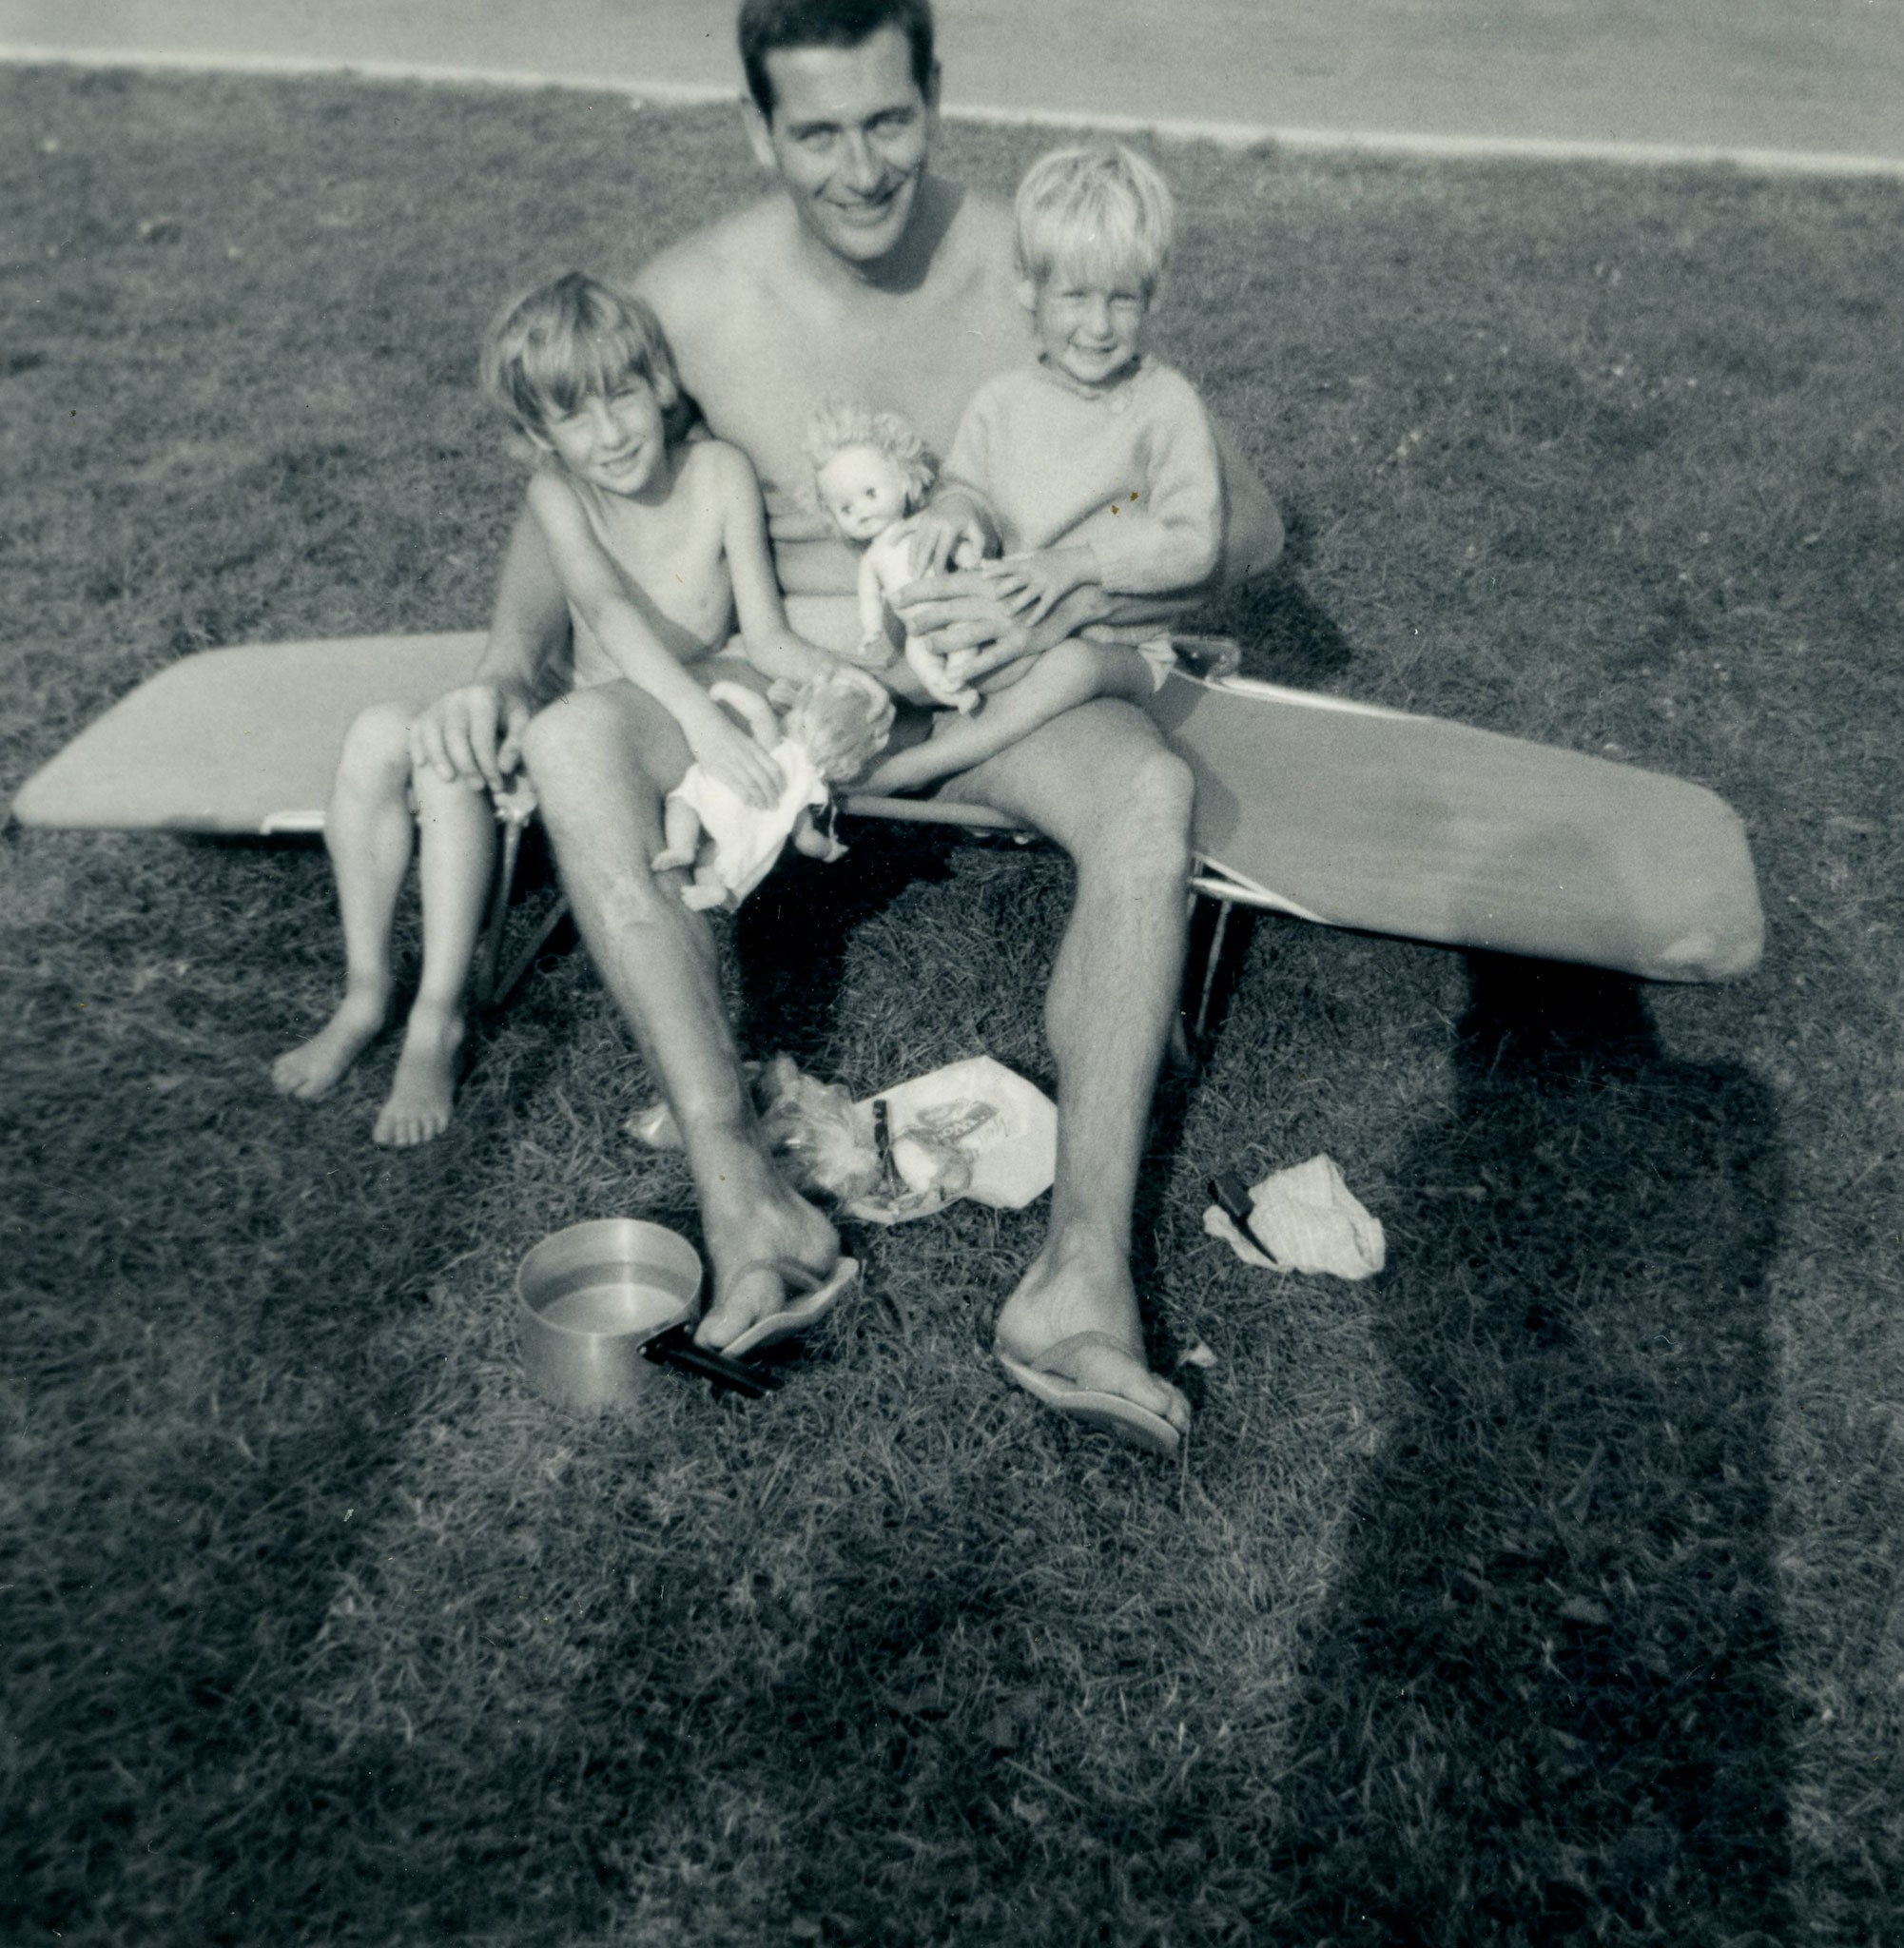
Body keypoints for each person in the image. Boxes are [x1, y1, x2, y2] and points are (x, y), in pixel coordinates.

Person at [409, 0, 1283, 1451]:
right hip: (755, 682)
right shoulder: (688, 295)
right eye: (816, 131)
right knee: (571, 747)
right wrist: (510, 657)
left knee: (1144, 802)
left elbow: (1240, 519)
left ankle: (1077, 1277)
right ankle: (744, 1198)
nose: (860, 165)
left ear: (934, 97)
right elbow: (563, 502)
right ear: (759, 129)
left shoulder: (1030, 262)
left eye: (888, 120)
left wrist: (1064, 573)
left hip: (979, 675)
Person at [272, 270, 858, 1144]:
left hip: (637, 735)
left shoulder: (718, 473)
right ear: (538, 434)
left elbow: (765, 633)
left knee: (449, 773)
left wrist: (846, 678)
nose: (610, 432)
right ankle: (364, 995)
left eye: (623, 396)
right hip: (588, 707)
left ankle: (437, 1014)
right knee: (381, 740)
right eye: (573, 416)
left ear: (660, 386)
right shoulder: (559, 493)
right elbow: (607, 609)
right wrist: (691, 715)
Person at [855, 138, 1221, 796]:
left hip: (1122, 646)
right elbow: (970, 486)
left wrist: (1079, 564)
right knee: (936, 619)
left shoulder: (1165, 406)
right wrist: (954, 512)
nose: (1099, 325)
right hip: (1016, 617)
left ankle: (929, 763)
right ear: (1028, 285)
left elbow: (1195, 544)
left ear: (1155, 296)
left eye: (1123, 300)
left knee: (1072, 668)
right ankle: (862, 704)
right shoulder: (1004, 400)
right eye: (1075, 296)